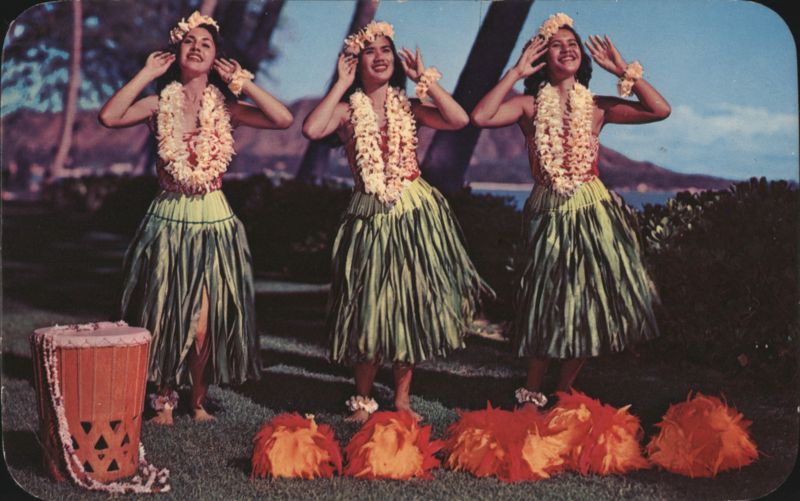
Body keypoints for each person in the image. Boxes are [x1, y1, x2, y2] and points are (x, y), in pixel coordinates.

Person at [98, 11, 293, 424]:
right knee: (163, 313)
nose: (197, 46)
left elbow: (283, 119)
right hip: (167, 217)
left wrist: (246, 83)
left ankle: (198, 400)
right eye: (189, 41)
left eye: (206, 42)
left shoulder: (228, 106)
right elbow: (109, 117)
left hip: (214, 220)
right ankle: (163, 399)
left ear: (217, 57)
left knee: (203, 325)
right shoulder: (157, 103)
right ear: (175, 52)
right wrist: (145, 73)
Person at [471, 13, 670, 408]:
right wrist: (515, 71)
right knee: (545, 301)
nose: (567, 49)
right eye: (556, 44)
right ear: (543, 56)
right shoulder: (528, 105)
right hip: (548, 211)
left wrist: (623, 70)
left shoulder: (596, 106)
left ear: (582, 58)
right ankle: (531, 392)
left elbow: (659, 110)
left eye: (572, 44)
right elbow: (480, 117)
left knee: (590, 302)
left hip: (594, 211)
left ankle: (563, 391)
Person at [302, 21, 490, 423]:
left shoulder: (409, 106)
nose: (380, 55)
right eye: (370, 50)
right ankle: (363, 398)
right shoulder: (345, 112)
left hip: (413, 212)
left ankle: (402, 398)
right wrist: (341, 83)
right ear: (358, 61)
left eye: (386, 49)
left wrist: (427, 81)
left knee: (408, 304)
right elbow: (311, 128)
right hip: (368, 215)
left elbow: (457, 120)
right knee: (368, 304)